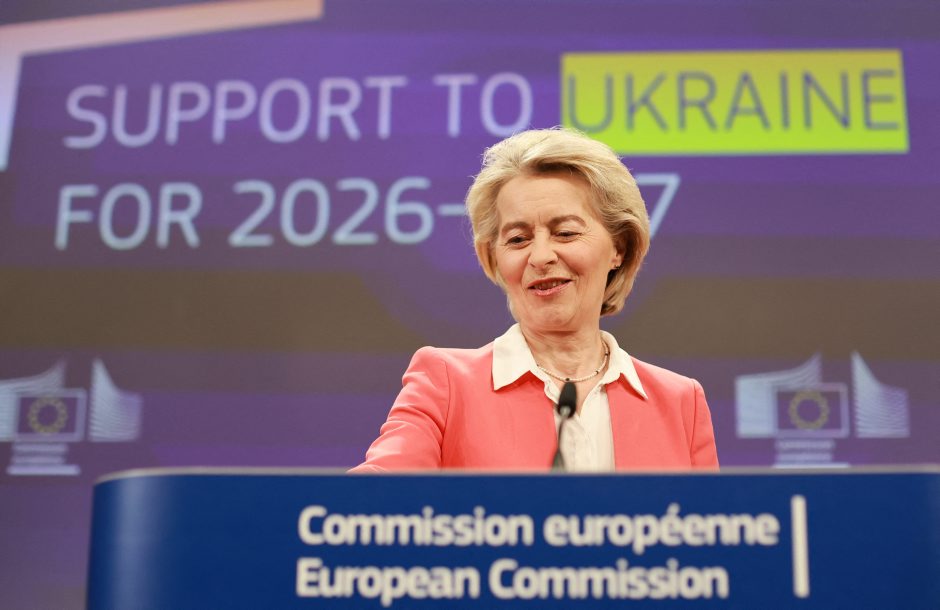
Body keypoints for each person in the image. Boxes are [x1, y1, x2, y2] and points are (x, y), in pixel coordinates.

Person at [352, 128, 718, 472]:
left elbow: (714, 519)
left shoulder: (681, 402)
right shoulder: (445, 384)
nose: (540, 256)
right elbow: (363, 504)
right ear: (493, 258)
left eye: (565, 233)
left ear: (618, 248)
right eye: (517, 239)